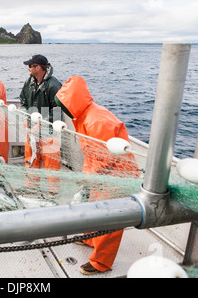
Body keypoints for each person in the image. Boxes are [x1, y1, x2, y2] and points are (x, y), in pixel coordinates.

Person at [55, 75, 140, 275]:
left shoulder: (96, 120)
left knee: (110, 218)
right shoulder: (83, 116)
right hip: (102, 176)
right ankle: (90, 239)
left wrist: (88, 176)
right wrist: (88, 175)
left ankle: (101, 262)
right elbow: (93, 154)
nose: (64, 110)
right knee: (94, 207)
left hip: (117, 176)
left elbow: (105, 158)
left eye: (65, 105)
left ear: (73, 102)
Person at [19, 54, 62, 192]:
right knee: (31, 159)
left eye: (30, 66)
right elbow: (23, 101)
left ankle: (53, 191)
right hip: (31, 131)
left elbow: (57, 110)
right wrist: (25, 116)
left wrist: (41, 124)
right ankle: (32, 186)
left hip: (49, 133)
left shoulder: (54, 85)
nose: (28, 69)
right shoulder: (28, 82)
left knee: (51, 163)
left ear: (38, 67)